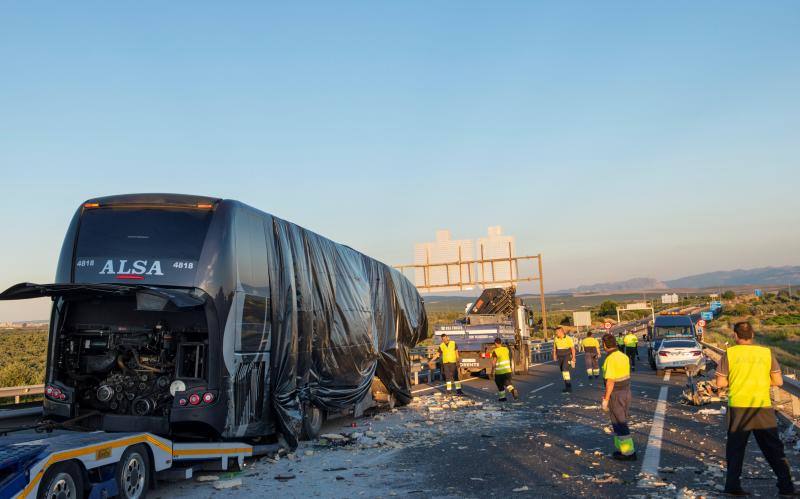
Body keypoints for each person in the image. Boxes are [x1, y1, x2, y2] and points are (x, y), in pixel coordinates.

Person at [715, 322, 796, 496]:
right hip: (762, 407)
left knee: (735, 449)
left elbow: (720, 383)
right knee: (773, 449)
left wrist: (737, 381)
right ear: (752, 336)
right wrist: (759, 381)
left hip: (738, 407)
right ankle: (786, 487)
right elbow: (779, 381)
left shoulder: (730, 353)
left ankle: (732, 486)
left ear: (735, 336)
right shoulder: (766, 353)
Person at [601, 333, 636, 461]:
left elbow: (610, 381)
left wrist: (605, 399)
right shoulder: (623, 356)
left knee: (619, 422)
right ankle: (622, 449)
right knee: (620, 420)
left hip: (616, 394)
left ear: (604, 345)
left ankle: (628, 453)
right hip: (626, 392)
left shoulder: (610, 359)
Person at [491, 337, 518, 402]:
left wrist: (492, 371)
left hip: (499, 372)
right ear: (501, 343)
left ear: (495, 343)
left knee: (500, 385)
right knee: (507, 383)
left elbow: (494, 362)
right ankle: (512, 390)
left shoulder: (495, 351)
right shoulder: (506, 349)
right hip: (508, 371)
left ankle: (502, 398)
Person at [553, 327, 576, 392]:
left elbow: (572, 349)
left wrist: (574, 357)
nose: (556, 333)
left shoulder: (568, 338)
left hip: (567, 355)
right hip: (560, 356)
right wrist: (554, 355)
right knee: (563, 371)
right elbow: (555, 348)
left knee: (564, 369)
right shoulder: (556, 339)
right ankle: (566, 386)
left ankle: (569, 386)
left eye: (557, 332)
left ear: (561, 332)